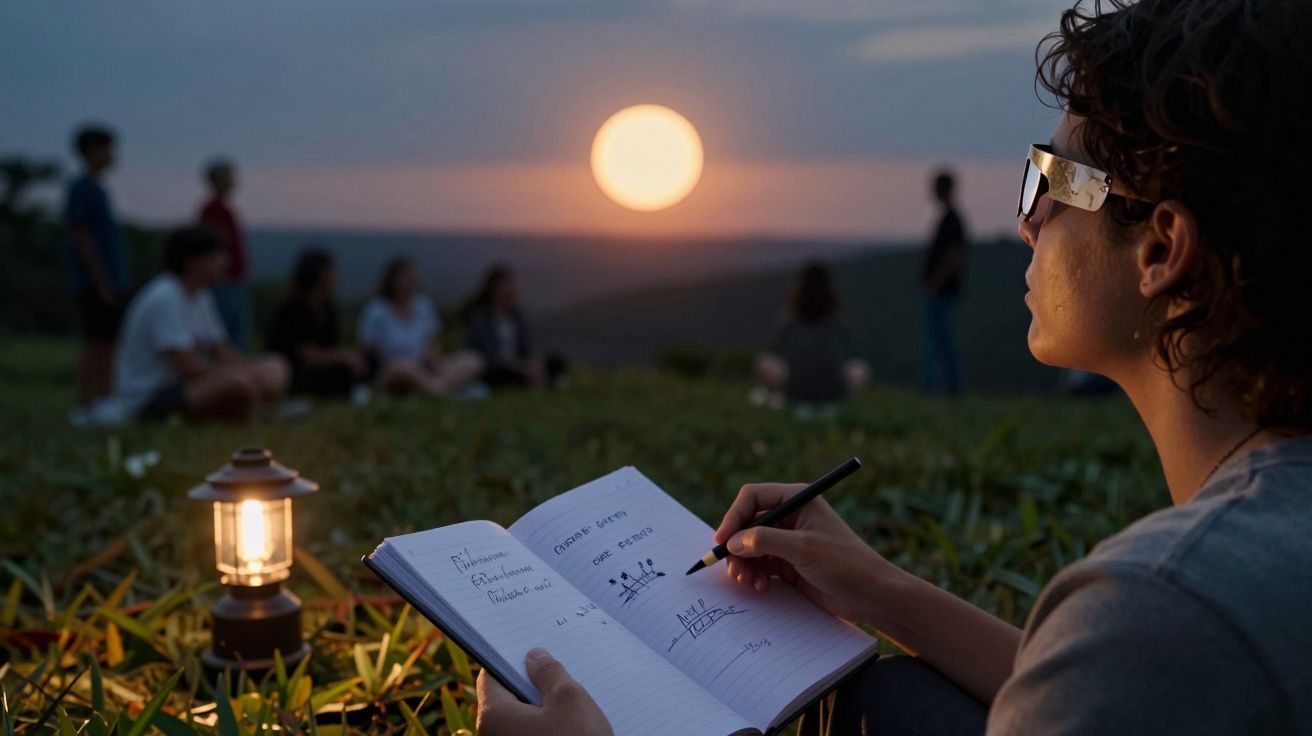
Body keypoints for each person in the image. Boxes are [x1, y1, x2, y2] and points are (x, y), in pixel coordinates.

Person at [474, 0, 1312, 733]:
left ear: (1161, 247)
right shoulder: (1215, 595)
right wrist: (874, 588)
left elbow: (1130, 663)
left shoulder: (1163, 604)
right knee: (898, 701)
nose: (1029, 223)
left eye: (1052, 181)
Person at [112, 226, 289, 422]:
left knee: (275, 366)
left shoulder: (201, 295)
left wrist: (248, 369)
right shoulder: (166, 297)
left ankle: (252, 410)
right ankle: (251, 413)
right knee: (237, 385)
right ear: (192, 262)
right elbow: (187, 367)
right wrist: (239, 374)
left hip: (190, 385)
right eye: (216, 255)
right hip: (153, 397)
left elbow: (222, 348)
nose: (224, 262)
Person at [65, 125, 129, 405]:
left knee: (108, 343)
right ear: (92, 152)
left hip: (107, 281)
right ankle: (90, 402)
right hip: (97, 284)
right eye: (107, 149)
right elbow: (81, 237)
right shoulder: (82, 188)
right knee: (99, 344)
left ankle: (100, 400)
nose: (112, 156)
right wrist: (102, 282)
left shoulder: (96, 189)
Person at [358, 257, 483, 397]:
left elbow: (432, 342)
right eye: (405, 278)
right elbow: (371, 350)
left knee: (473, 359)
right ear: (392, 281)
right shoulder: (377, 310)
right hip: (393, 370)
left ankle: (435, 388)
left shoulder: (424, 306)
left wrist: (434, 361)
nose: (410, 283)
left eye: (412, 279)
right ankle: (443, 390)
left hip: (424, 368)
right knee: (403, 366)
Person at [755, 261, 868, 405]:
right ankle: (842, 402)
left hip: (794, 393)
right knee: (861, 368)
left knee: (765, 361)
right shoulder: (837, 324)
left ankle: (772, 395)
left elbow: (776, 355)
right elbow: (846, 358)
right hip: (834, 393)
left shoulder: (790, 323)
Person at [266, 249, 369, 398]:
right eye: (331, 271)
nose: (336, 276)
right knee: (338, 373)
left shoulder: (328, 308)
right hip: (290, 371)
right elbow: (305, 353)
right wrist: (343, 356)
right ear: (320, 275)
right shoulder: (292, 308)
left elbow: (332, 345)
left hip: (319, 367)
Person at [461, 264, 561, 388]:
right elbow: (488, 354)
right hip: (492, 367)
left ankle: (538, 379)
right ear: (494, 288)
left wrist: (530, 364)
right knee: (503, 373)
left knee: (555, 361)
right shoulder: (481, 318)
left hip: (518, 364)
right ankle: (540, 382)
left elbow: (525, 349)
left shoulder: (516, 317)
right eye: (507, 284)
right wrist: (518, 367)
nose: (512, 288)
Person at [920, 169, 968, 395]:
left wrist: (935, 282)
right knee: (939, 339)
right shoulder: (950, 218)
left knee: (941, 340)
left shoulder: (952, 219)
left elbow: (954, 256)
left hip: (942, 290)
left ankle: (947, 387)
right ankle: (944, 387)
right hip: (942, 289)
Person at [197, 158, 249, 350]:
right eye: (228, 178)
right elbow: (212, 246)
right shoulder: (211, 210)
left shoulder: (224, 209)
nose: (232, 182)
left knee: (235, 328)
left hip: (233, 278)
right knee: (226, 329)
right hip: (223, 281)